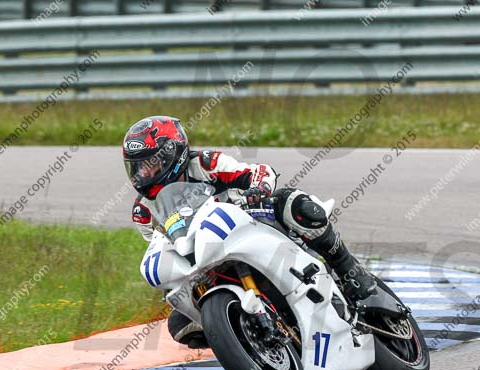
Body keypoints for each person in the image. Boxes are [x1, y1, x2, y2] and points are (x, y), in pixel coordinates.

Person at [124, 115, 376, 348]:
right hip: (204, 256)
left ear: (172, 153)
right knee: (179, 325)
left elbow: (259, 172)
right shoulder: (143, 211)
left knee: (293, 203)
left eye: (149, 164)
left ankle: (347, 266)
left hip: (248, 222)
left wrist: (258, 190)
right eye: (136, 167)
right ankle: (245, 340)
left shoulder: (205, 164)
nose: (141, 173)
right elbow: (160, 246)